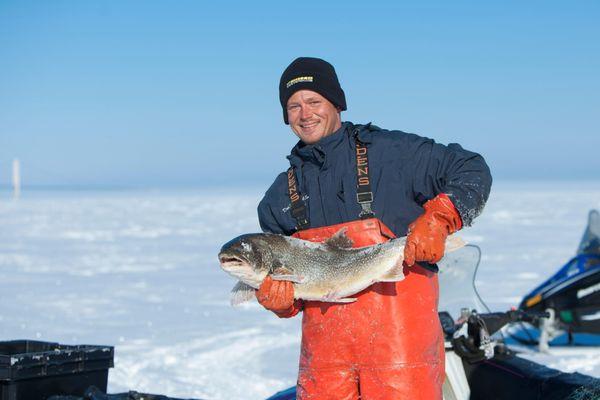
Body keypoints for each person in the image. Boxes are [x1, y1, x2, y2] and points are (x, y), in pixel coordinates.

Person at [256, 57, 492, 400]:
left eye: (314, 102)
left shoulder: (392, 155)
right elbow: (291, 289)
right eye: (293, 106)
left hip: (401, 359)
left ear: (336, 103)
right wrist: (281, 300)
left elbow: (471, 169)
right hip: (325, 368)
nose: (305, 114)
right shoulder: (278, 198)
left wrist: (440, 217)